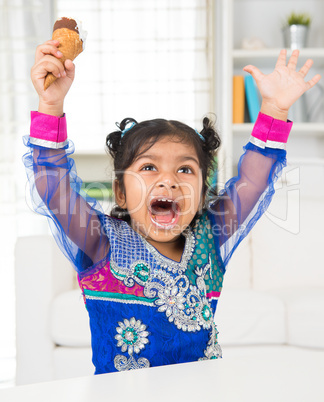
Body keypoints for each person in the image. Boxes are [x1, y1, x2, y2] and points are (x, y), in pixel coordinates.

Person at [23, 39, 320, 374]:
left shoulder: (210, 236)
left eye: (185, 169)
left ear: (203, 191)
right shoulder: (101, 241)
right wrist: (50, 104)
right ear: (120, 192)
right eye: (149, 168)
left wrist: (275, 111)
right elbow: (53, 185)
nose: (168, 180)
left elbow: (253, 181)